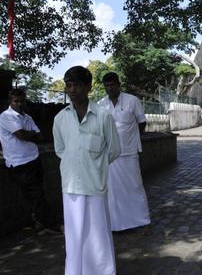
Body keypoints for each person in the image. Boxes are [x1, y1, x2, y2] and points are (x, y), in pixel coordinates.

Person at [53, 66, 121, 275]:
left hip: (95, 186)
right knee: (74, 235)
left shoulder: (102, 116)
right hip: (71, 187)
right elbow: (60, 150)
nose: (72, 90)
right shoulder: (60, 118)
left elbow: (114, 150)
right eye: (69, 85)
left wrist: (96, 166)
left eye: (77, 85)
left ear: (89, 87)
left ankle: (102, 271)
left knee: (97, 235)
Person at [0, 88, 60, 235]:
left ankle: (41, 222)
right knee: (36, 195)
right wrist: (29, 134)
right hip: (19, 164)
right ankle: (50, 224)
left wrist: (29, 134)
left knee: (38, 193)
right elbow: (21, 135)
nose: (19, 104)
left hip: (34, 159)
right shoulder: (6, 116)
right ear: (10, 101)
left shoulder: (27, 117)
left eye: (21, 101)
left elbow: (41, 136)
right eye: (16, 101)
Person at [98, 72, 151, 233]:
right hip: (111, 155)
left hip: (129, 153)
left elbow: (142, 123)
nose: (109, 88)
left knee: (135, 187)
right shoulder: (100, 104)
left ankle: (144, 222)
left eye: (112, 84)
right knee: (113, 191)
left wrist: (130, 139)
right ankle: (116, 225)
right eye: (106, 85)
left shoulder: (132, 100)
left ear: (119, 84)